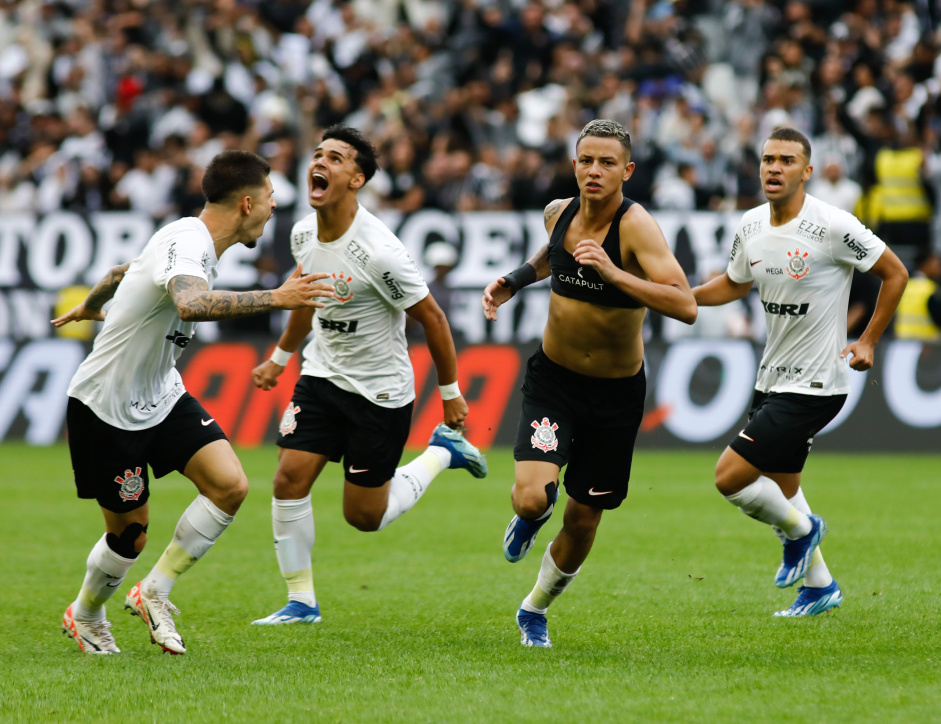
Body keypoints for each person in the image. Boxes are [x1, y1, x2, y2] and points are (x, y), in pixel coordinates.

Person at [53, 150, 336, 655]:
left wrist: (91, 305)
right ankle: (87, 614)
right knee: (130, 536)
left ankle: (154, 591)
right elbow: (190, 303)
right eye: (270, 199)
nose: (273, 209)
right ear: (247, 203)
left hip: (162, 393)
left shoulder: (189, 239)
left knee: (229, 485)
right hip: (106, 407)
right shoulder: (188, 241)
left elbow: (124, 271)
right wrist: (277, 297)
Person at [250, 125, 487, 626]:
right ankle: (301, 602)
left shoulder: (379, 252)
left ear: (356, 179)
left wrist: (450, 394)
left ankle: (442, 452)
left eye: (335, 158)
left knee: (364, 517)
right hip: (321, 376)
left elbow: (434, 320)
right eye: (318, 154)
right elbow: (303, 296)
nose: (321, 162)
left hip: (379, 392)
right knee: (288, 479)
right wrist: (279, 356)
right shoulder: (300, 232)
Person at [480, 119, 697, 648]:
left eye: (606, 162)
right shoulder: (560, 212)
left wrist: (615, 273)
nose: (594, 171)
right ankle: (531, 517)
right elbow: (550, 255)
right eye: (585, 160)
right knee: (531, 499)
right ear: (573, 163)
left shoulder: (637, 227)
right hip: (555, 381)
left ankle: (534, 609)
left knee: (582, 521)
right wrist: (514, 280)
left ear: (628, 170)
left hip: (616, 395)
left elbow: (685, 304)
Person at [691, 127, 908, 617]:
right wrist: (683, 297)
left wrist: (868, 339)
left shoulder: (833, 224)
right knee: (784, 485)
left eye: (787, 160)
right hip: (771, 378)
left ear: (807, 172)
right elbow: (732, 283)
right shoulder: (750, 225)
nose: (774, 168)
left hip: (816, 384)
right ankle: (821, 587)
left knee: (731, 477)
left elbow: (895, 273)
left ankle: (804, 532)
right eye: (768, 159)